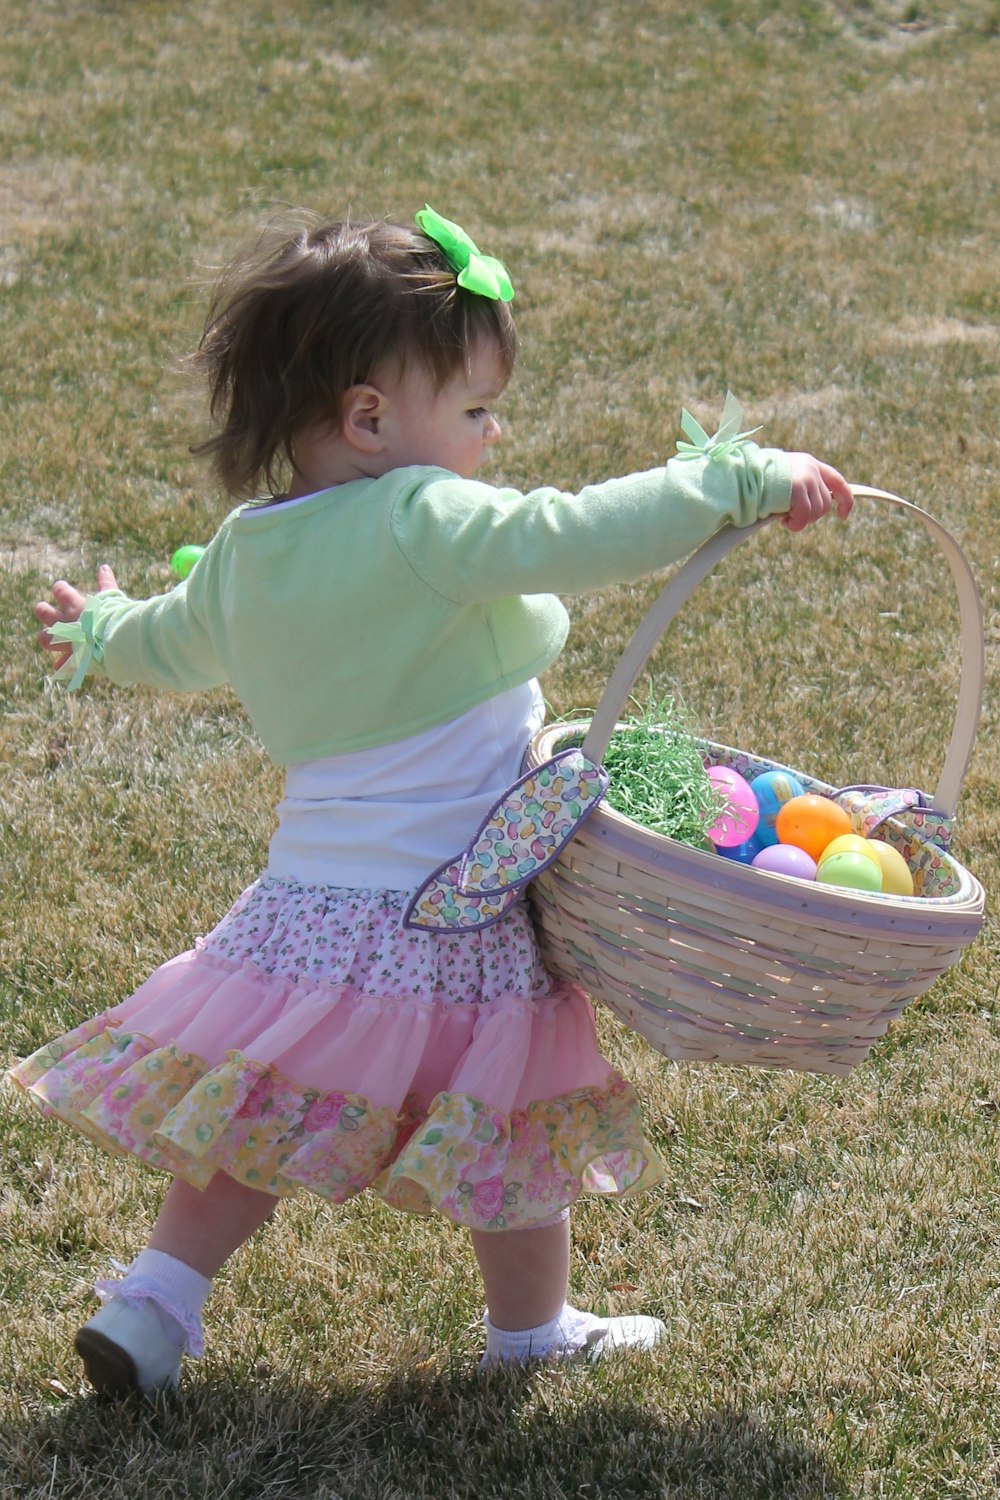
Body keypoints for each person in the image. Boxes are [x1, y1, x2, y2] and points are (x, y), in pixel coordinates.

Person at [14, 205, 853, 1398]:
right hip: (452, 918)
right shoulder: (423, 516)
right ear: (370, 419)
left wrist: (101, 633)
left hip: (303, 914)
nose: (493, 432)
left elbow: (168, 639)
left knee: (253, 1119)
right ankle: (531, 1331)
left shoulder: (249, 549)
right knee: (516, 1131)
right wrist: (735, 481)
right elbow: (574, 529)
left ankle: (153, 1303)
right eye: (471, 410)